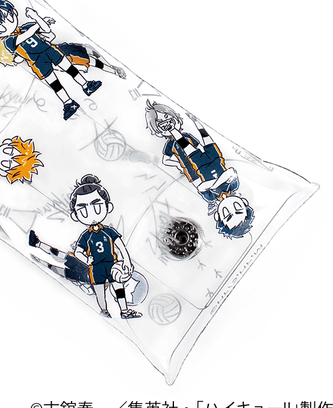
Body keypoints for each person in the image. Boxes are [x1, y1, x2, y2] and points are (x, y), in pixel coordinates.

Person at [0, 0, 124, 120]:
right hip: (37, 61)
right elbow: (24, 37)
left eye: (9, 17)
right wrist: (37, 23)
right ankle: (68, 102)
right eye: (0, 25)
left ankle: (86, 85)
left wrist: (37, 18)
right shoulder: (9, 41)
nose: (8, 23)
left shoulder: (26, 26)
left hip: (49, 50)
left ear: (14, 12)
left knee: (70, 68)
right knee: (54, 83)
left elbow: (47, 31)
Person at [145, 102, 254, 238]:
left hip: (199, 167)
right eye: (238, 210)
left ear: (218, 217)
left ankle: (174, 130)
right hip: (215, 159)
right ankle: (195, 123)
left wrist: (214, 182)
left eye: (227, 216)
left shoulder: (212, 197)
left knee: (187, 147)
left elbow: (202, 185)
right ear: (244, 203)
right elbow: (229, 172)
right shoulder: (233, 186)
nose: (230, 209)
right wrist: (212, 183)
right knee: (207, 141)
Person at [69, 175, 141, 319]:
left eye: (97, 206)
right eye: (83, 210)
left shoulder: (109, 231)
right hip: (96, 268)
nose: (90, 213)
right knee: (99, 292)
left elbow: (121, 247)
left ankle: (124, 310)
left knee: (119, 288)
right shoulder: (85, 236)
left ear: (108, 207)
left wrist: (127, 261)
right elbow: (78, 252)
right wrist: (86, 259)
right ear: (76, 215)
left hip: (112, 265)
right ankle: (103, 311)